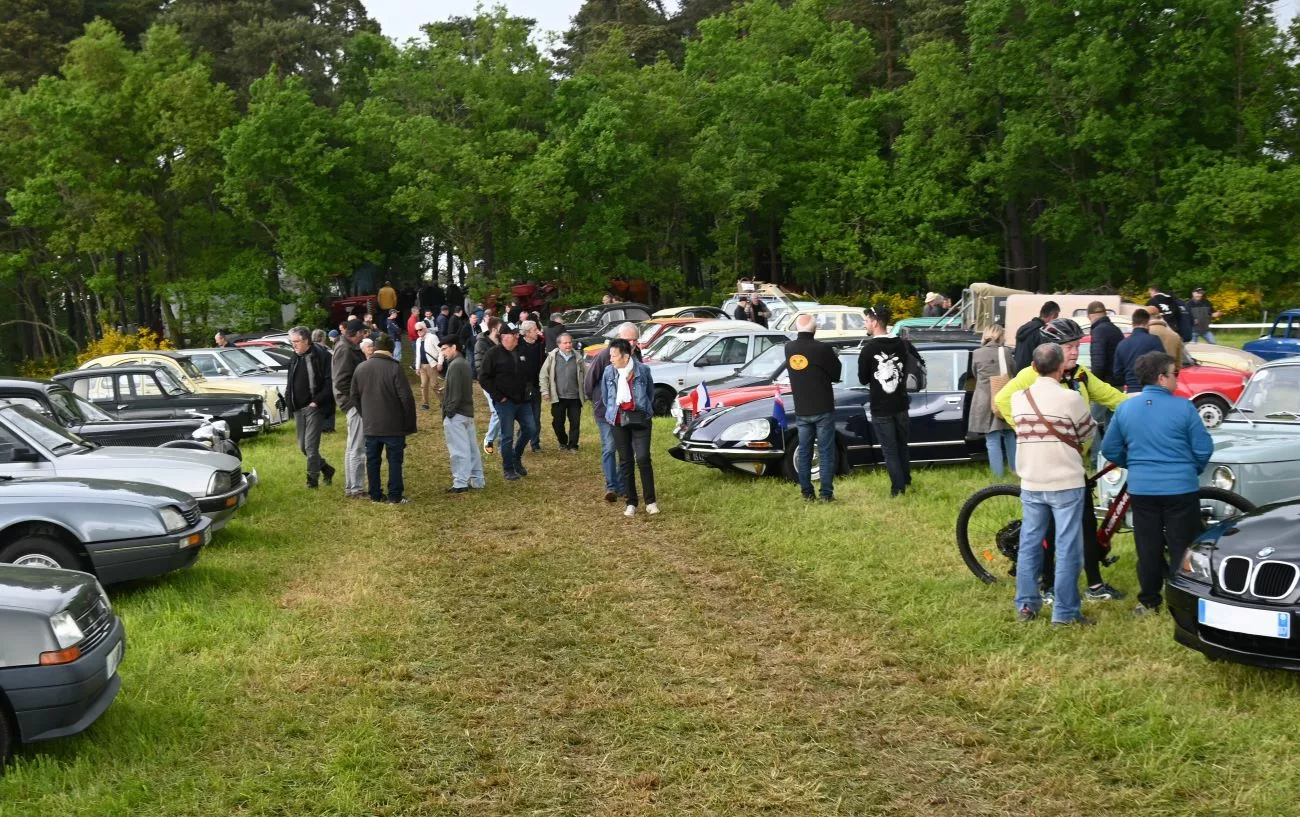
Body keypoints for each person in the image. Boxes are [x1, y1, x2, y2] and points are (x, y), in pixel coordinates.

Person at [994, 318, 1129, 602]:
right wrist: (1028, 431)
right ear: (1052, 350)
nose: (1074, 352)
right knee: (1049, 532)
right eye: (1068, 347)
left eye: (1077, 346)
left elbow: (1111, 396)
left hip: (1073, 467)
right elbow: (1002, 400)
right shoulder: (1032, 375)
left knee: (1086, 526)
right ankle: (1048, 586)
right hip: (1046, 468)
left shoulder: (1081, 375)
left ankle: (1094, 585)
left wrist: (1145, 406)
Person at [1102, 351, 1213, 616]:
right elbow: (1203, 448)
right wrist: (1189, 469)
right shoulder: (1184, 406)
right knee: (1182, 546)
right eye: (1175, 373)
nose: (1178, 378)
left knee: (1148, 547)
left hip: (1143, 489)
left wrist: (1135, 464)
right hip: (1180, 487)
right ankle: (1183, 603)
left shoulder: (1126, 408)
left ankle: (1149, 601)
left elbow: (1110, 448)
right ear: (1162, 378)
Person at [1010, 342, 1097, 625]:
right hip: (1066, 482)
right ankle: (1065, 612)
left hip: (1031, 481)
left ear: (1034, 367)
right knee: (1067, 546)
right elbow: (1087, 432)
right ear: (1061, 368)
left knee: (1030, 544)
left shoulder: (1018, 398)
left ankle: (1026, 605)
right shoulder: (1071, 399)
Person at [351, 333, 417, 503]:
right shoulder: (394, 367)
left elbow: (354, 396)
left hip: (371, 425)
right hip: (393, 425)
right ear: (391, 349)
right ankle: (395, 496)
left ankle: (375, 494)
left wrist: (365, 414)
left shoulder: (361, 368)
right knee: (394, 461)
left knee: (372, 461)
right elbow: (407, 398)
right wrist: (409, 423)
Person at [785, 313, 842, 501]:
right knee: (825, 452)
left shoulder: (789, 348)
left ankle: (806, 493)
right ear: (815, 329)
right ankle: (826, 494)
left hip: (802, 408)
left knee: (804, 452)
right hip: (823, 406)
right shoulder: (822, 349)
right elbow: (836, 373)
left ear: (796, 328)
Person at [857, 305, 911, 497]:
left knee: (889, 450)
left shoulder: (869, 349)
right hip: (901, 403)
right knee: (902, 445)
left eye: (866, 320)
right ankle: (906, 480)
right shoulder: (901, 344)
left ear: (874, 321)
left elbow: (863, 379)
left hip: (881, 407)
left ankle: (898, 489)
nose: (865, 324)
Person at [586, 322, 641, 503]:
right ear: (618, 337)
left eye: (635, 340)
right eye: (628, 339)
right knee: (609, 447)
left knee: (627, 449)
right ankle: (611, 486)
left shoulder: (637, 355)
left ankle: (623, 485)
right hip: (606, 412)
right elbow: (590, 379)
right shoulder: (605, 355)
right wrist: (596, 401)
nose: (632, 343)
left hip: (629, 412)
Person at [602, 339, 658, 516]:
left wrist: (642, 409)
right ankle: (631, 502)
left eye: (614, 355)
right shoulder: (608, 372)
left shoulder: (643, 370)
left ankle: (651, 501)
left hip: (640, 419)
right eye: (610, 355)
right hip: (618, 421)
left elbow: (650, 393)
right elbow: (606, 397)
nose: (611, 358)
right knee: (625, 461)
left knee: (643, 458)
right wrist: (614, 412)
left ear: (626, 356)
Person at [478, 325, 538, 481]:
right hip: (505, 402)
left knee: (531, 429)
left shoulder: (521, 351)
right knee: (507, 436)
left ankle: (516, 457)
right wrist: (499, 397)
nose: (517, 336)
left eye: (517, 334)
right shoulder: (493, 354)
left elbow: (528, 373)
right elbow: (483, 378)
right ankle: (508, 468)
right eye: (514, 334)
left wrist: (529, 390)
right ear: (504, 336)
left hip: (523, 401)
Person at [285, 326, 336, 490]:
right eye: (292, 342)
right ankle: (327, 469)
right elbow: (290, 383)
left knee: (310, 447)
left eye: (296, 341)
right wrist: (289, 403)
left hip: (315, 407)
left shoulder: (321, 355)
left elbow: (330, 382)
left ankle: (312, 481)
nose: (294, 345)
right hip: (299, 408)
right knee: (303, 447)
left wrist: (317, 401)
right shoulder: (295, 357)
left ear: (306, 340)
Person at [968, 324, 1016, 479]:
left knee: (992, 438)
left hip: (985, 399)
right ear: (1000, 336)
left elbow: (975, 374)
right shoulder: (1007, 352)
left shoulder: (977, 353)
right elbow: (1013, 373)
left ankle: (998, 476)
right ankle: (1015, 470)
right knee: (1009, 434)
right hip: (1004, 397)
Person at [439, 337, 484, 493]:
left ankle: (460, 483)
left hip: (457, 414)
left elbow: (456, 394)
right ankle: (477, 481)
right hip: (466, 412)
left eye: (444, 348)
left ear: (454, 347)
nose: (442, 353)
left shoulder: (455, 365)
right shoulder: (463, 363)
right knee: (471, 449)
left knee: (459, 451)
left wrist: (448, 412)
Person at [332, 319, 368, 498]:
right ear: (356, 332)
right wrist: (354, 401)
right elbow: (340, 381)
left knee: (352, 446)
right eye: (363, 332)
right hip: (353, 404)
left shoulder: (346, 347)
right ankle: (356, 488)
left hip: (351, 402)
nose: (364, 336)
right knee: (357, 447)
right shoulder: (345, 349)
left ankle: (351, 486)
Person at [539, 333, 587, 451]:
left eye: (570, 342)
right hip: (558, 397)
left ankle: (573, 445)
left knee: (575, 423)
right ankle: (563, 441)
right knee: (558, 423)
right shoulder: (552, 357)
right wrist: (545, 391)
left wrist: (587, 392)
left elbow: (586, 376)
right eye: (565, 343)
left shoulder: (578, 358)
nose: (568, 345)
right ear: (559, 344)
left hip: (575, 397)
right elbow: (543, 375)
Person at [1112, 308, 1164, 391]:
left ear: (1132, 324)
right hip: (1151, 390)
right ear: (1147, 323)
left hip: (1131, 390)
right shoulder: (1154, 340)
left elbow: (1117, 374)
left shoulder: (1122, 344)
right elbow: (1164, 365)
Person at [475, 317, 502, 454]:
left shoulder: (503, 341)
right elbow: (480, 366)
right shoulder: (481, 343)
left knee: (504, 411)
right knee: (497, 412)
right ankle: (489, 439)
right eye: (501, 327)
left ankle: (503, 441)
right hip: (489, 383)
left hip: (503, 383)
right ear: (494, 329)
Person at [520, 320, 546, 452]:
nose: (538, 331)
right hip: (522, 387)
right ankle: (521, 441)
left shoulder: (540, 344)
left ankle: (535, 443)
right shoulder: (518, 345)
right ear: (527, 332)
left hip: (536, 386)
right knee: (524, 417)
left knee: (536, 416)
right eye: (535, 329)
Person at [1013, 301, 1059, 373]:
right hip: (1032, 373)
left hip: (1018, 372)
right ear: (1053, 315)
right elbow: (1044, 357)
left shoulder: (1023, 328)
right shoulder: (1042, 332)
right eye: (1056, 317)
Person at [1086, 301, 1124, 388]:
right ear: (1105, 313)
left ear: (1089, 316)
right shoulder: (1116, 329)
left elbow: (1098, 363)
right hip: (1118, 381)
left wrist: (1093, 383)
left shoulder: (1098, 331)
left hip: (1106, 384)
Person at [413, 322, 440, 410]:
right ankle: (425, 403)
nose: (418, 332)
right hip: (422, 366)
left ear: (425, 328)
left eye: (420, 329)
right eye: (416, 330)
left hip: (432, 365)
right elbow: (418, 355)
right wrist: (417, 367)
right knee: (423, 385)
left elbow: (440, 350)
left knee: (434, 385)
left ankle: (444, 401)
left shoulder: (433, 337)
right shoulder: (418, 340)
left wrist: (440, 363)